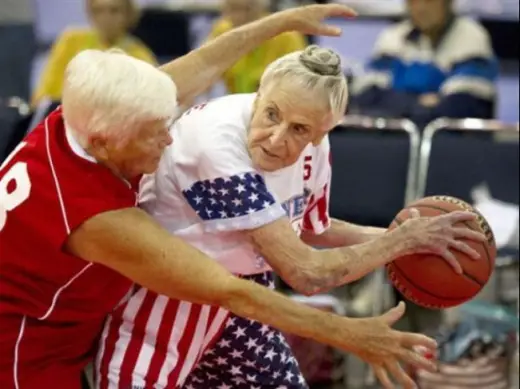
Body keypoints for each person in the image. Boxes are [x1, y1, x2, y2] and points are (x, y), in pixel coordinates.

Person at [0, 5, 405, 389]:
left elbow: (203, 64)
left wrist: (281, 22)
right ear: (107, 142)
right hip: (22, 353)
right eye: (155, 132)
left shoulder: (81, 119)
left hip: (71, 330)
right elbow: (230, 291)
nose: (170, 137)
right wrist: (348, 333)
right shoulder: (97, 217)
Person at [96, 46, 485, 389]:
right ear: (259, 93)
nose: (277, 137)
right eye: (271, 114)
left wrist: (412, 237)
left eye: (299, 129)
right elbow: (305, 272)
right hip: (164, 297)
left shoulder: (316, 148)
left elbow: (311, 231)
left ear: (322, 132)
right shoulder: (216, 144)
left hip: (242, 296)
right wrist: (399, 242)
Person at [350, 0, 498, 127]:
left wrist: (397, 102)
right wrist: (420, 103)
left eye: (429, 0)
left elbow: (461, 106)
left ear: (448, 3)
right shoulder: (392, 37)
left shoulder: (472, 36)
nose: (421, 8)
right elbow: (367, 96)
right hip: (394, 143)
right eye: (413, 1)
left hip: (454, 147)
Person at [32, 0, 156, 106]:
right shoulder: (70, 41)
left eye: (114, 11)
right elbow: (43, 95)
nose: (106, 18)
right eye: (98, 10)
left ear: (128, 14)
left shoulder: (140, 55)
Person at [208, 0, 307, 93]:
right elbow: (205, 73)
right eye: (233, 9)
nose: (240, 17)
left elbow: (301, 80)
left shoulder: (286, 34)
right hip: (237, 103)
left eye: (247, 9)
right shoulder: (222, 32)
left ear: (261, 8)